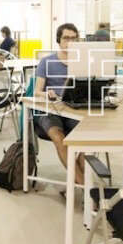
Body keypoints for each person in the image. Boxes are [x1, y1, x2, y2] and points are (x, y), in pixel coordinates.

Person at [34, 23, 85, 186]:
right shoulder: (47, 62)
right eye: (66, 38)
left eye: (74, 38)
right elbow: (37, 91)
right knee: (58, 137)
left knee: (88, 137)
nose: (70, 42)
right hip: (50, 110)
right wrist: (46, 93)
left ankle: (78, 184)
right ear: (59, 40)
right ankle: (85, 188)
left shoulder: (82, 62)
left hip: (72, 110)